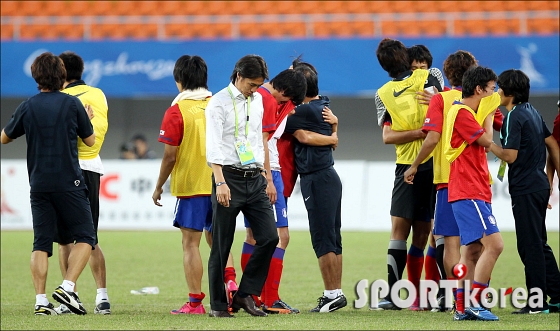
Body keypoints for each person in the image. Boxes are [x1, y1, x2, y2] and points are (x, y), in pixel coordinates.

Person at [404, 50, 502, 311]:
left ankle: (452, 295)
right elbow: (495, 128)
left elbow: (433, 137)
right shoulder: (483, 101)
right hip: (474, 179)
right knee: (481, 241)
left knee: (450, 241)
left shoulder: (442, 100)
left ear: (447, 73)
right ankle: (476, 295)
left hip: (446, 178)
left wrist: (414, 165)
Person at [1, 52, 96, 315]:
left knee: (41, 243)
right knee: (86, 235)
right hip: (69, 181)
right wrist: (87, 120)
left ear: (36, 76)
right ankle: (67, 286)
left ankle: (41, 301)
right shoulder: (72, 104)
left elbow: (4, 138)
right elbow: (90, 141)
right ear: (62, 75)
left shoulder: (27, 106)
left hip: (39, 183)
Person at [152, 54, 240, 315]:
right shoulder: (219, 104)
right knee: (219, 240)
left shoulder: (177, 110)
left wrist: (158, 185)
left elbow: (170, 156)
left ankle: (195, 303)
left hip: (192, 186)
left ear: (179, 81)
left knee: (191, 244)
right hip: (222, 182)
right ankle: (231, 283)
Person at [205, 54, 279, 318]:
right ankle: (217, 306)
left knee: (270, 237)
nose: (254, 89)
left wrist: (264, 174)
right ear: (238, 75)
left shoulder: (258, 100)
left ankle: (245, 295)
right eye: (251, 84)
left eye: (258, 84)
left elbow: (258, 139)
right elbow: (213, 145)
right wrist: (220, 181)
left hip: (254, 177)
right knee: (222, 245)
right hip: (228, 179)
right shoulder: (218, 103)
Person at [373, 38, 443, 310]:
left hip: (406, 166)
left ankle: (393, 294)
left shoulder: (382, 93)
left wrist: (413, 134)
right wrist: (422, 130)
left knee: (399, 232)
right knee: (433, 232)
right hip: (435, 161)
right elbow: (450, 107)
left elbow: (387, 136)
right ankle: (441, 295)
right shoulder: (430, 76)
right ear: (406, 57)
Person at [488, 69, 560, 314]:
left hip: (526, 188)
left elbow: (510, 155)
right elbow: (552, 144)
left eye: (499, 88)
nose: (497, 92)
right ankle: (557, 295)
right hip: (538, 184)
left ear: (509, 92)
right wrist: (551, 181)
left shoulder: (513, 117)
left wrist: (488, 144)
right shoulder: (533, 112)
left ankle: (536, 301)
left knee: (530, 245)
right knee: (539, 243)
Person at [240, 68, 307, 314]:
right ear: (283, 91)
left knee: (253, 237)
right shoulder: (267, 100)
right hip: (269, 171)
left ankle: (250, 296)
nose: (286, 105)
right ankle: (268, 298)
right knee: (279, 237)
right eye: (287, 100)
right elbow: (265, 141)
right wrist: (268, 177)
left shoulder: (257, 97)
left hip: (253, 170)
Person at [284, 58, 346, 313]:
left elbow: (299, 133)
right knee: (332, 238)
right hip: (327, 177)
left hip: (317, 179)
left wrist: (333, 135)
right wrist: (334, 131)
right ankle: (336, 293)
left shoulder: (303, 112)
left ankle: (331, 294)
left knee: (322, 239)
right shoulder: (323, 104)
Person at [443, 66, 503, 321]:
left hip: (474, 189)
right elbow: (486, 141)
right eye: (490, 89)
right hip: (468, 190)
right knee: (495, 244)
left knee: (472, 251)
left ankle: (461, 306)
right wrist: (489, 113)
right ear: (479, 89)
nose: (493, 94)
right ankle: (476, 303)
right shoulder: (462, 112)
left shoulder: (468, 112)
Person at [53, 51, 111, 315]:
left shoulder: (60, 99)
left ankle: (70, 296)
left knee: (66, 240)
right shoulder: (99, 94)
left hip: (66, 169)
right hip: (93, 166)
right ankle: (102, 297)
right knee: (90, 237)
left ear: (62, 72)